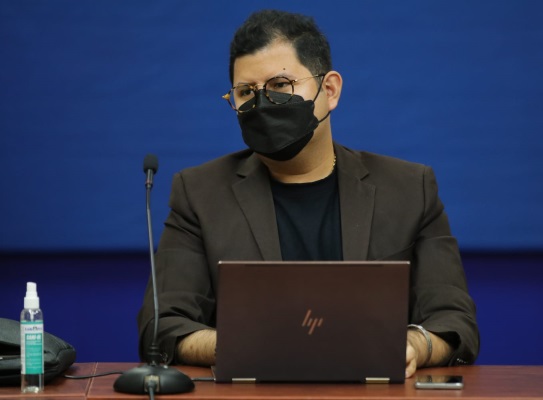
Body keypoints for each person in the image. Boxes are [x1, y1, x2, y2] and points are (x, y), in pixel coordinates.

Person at [138, 9, 479, 379]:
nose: (261, 104)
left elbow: (454, 321)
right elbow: (161, 325)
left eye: (280, 85)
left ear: (329, 90)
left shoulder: (410, 189)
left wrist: (413, 345)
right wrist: (236, 345)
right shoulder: (200, 194)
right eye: (246, 92)